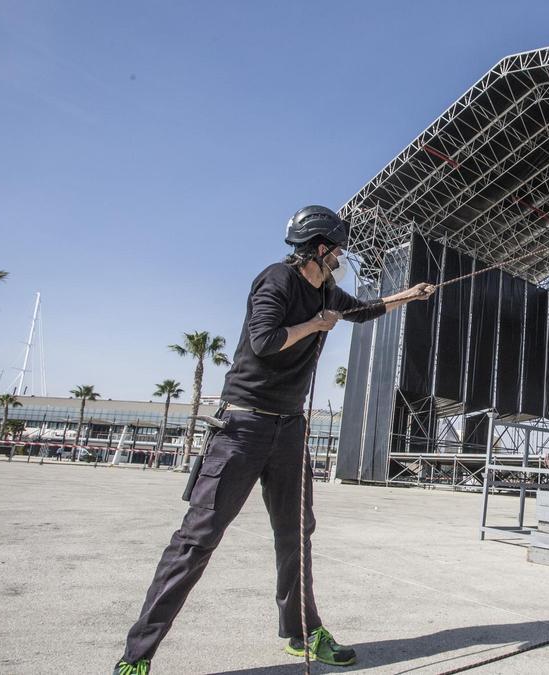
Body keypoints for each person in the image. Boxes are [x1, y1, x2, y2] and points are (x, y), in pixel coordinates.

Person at [114, 205, 435, 675]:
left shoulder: (324, 287)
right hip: (241, 429)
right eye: (338, 249)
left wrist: (411, 294)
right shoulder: (277, 280)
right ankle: (135, 658)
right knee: (196, 540)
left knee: (296, 534)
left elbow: (363, 312)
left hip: (289, 430)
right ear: (321, 249)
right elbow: (263, 340)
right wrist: (313, 325)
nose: (341, 257)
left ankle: (302, 633)